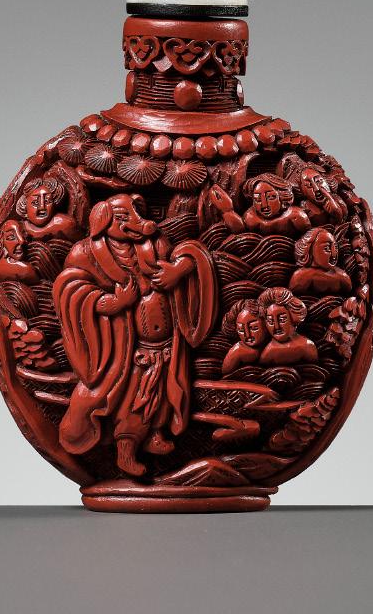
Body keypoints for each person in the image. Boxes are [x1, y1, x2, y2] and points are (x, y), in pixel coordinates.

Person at [53, 194, 217, 477]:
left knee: (161, 393)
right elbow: (70, 288)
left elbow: (191, 256)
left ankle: (153, 435)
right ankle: (125, 450)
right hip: (125, 347)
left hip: (165, 344)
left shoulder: (155, 245)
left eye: (134, 214)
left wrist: (177, 271)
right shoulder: (86, 253)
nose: (135, 222)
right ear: (104, 221)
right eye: (123, 217)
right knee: (133, 396)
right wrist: (110, 303)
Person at [256, 287, 318, 365]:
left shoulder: (307, 346)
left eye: (282, 320)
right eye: (271, 321)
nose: (277, 327)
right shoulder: (268, 353)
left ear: (294, 317)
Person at [289, 228, 353, 296]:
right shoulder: (300, 277)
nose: (334, 254)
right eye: (327, 248)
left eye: (335, 248)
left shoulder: (342, 277)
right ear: (309, 250)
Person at [241, 174, 310, 235]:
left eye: (271, 197)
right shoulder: (250, 218)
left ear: (283, 197)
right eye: (258, 199)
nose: (264, 205)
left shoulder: (296, 216)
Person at [16, 176, 80, 240]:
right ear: (24, 204)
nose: (42, 207)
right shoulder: (17, 228)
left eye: (47, 201)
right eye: (35, 202)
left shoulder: (64, 224)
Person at [221, 300, 268, 375]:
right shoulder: (237, 351)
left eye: (254, 328)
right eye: (241, 330)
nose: (247, 335)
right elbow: (225, 375)